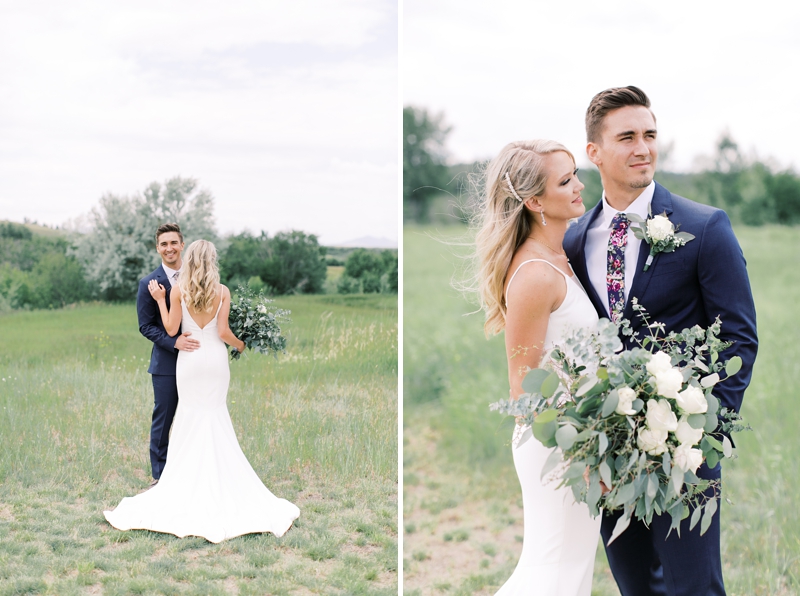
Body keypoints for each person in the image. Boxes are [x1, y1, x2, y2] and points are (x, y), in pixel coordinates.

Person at [563, 85, 758, 596]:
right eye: (627, 137)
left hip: (685, 454)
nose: (643, 148)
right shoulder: (575, 238)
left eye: (650, 135)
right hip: (609, 452)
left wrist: (702, 435)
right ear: (594, 151)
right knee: (636, 586)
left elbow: (739, 338)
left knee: (695, 588)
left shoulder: (704, 227)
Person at [105, 239, 300, 542]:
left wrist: (160, 301)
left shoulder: (178, 290)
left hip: (190, 361)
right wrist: (240, 344)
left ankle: (184, 480)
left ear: (190, 258)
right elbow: (222, 332)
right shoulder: (222, 291)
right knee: (215, 414)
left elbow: (172, 330)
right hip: (215, 361)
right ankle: (220, 480)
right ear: (212, 261)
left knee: (190, 416)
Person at [474, 140, 601, 595]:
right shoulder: (534, 274)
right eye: (565, 181)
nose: (579, 186)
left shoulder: (559, 256)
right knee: (551, 572)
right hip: (555, 443)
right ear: (534, 201)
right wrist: (575, 451)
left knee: (570, 569)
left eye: (575, 174)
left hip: (576, 436)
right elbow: (522, 386)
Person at [137, 222, 200, 486]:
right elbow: (146, 326)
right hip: (166, 364)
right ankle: (159, 476)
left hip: (198, 359)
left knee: (197, 416)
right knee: (163, 419)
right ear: (157, 248)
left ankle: (193, 470)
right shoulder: (148, 284)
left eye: (174, 242)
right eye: (164, 244)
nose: (169, 248)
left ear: (182, 245)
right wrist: (174, 343)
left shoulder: (198, 277)